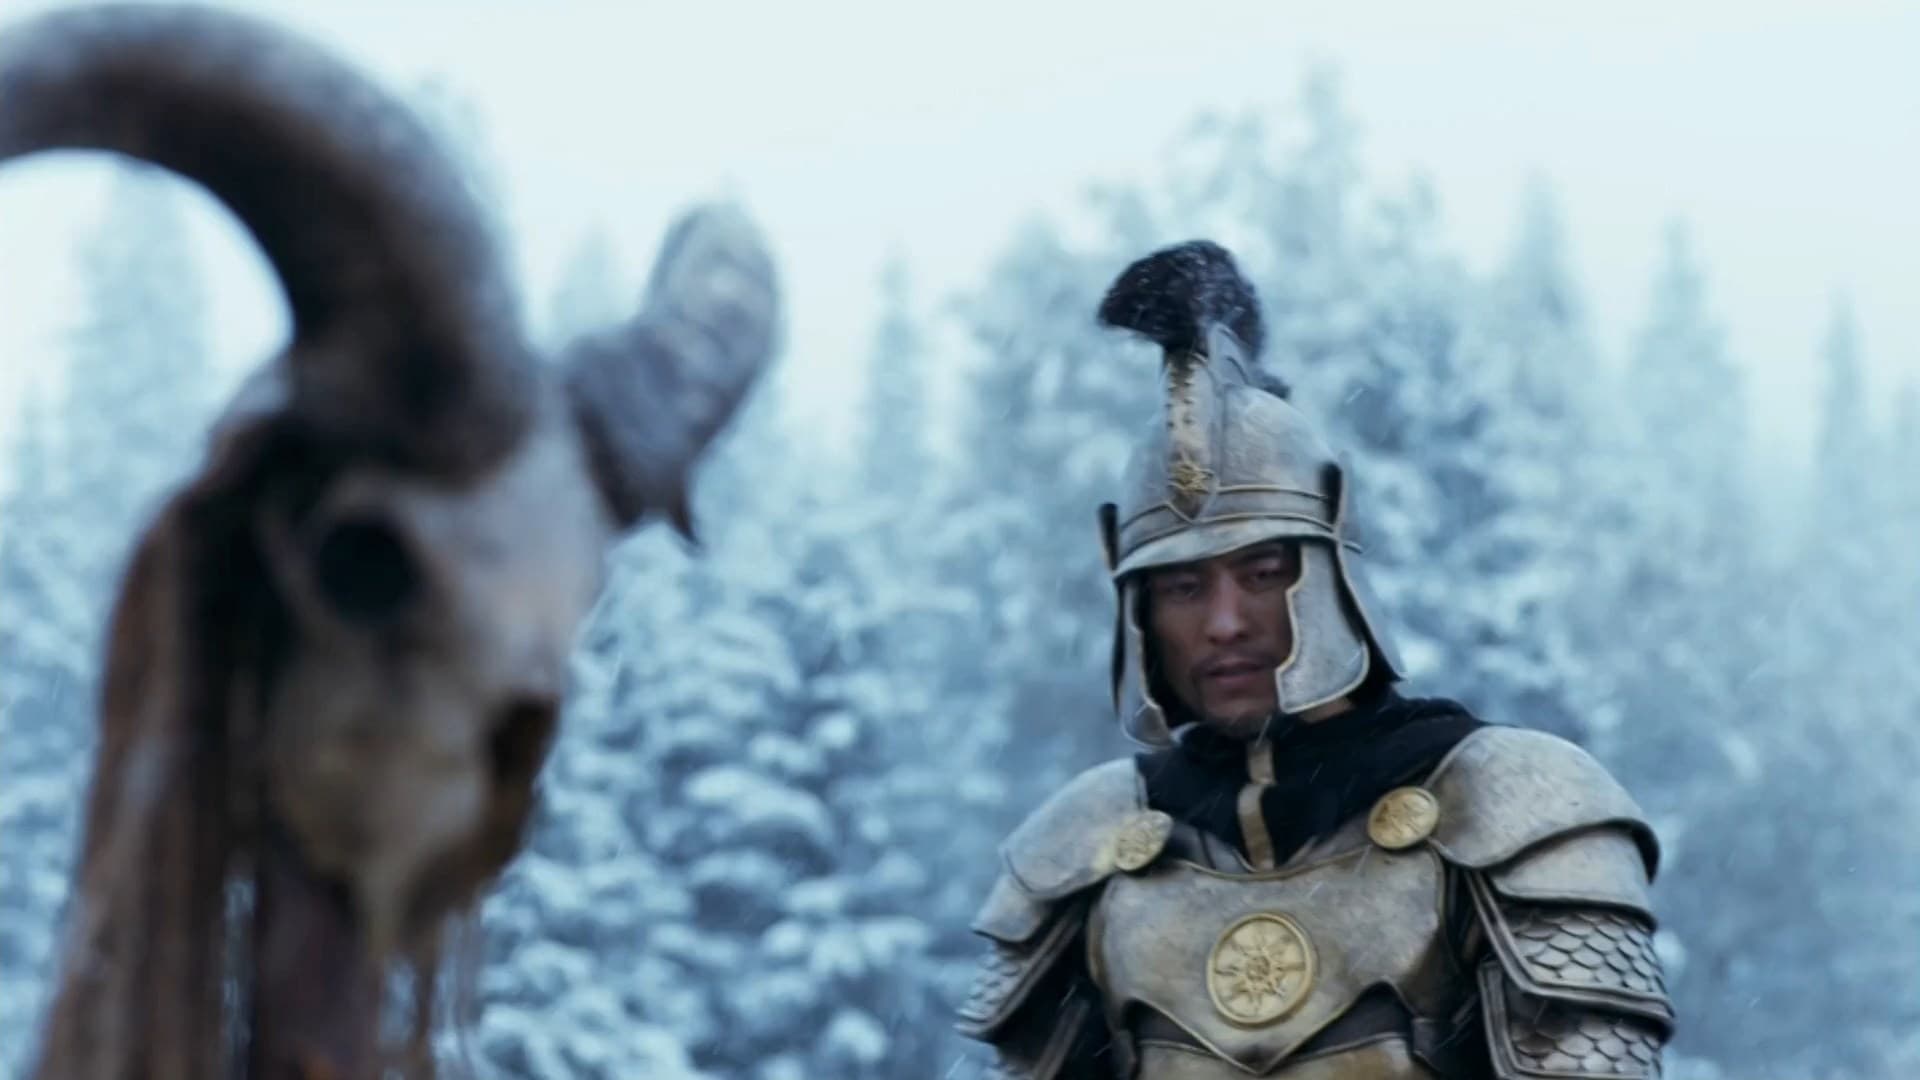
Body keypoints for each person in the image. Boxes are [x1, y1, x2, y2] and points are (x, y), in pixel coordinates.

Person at [955, 241, 1672, 1079]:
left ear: (1330, 570)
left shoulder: (1515, 808)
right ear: (1140, 611)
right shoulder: (1084, 849)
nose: (1225, 623)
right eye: (1184, 587)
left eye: (1262, 574)